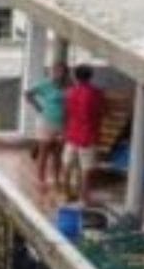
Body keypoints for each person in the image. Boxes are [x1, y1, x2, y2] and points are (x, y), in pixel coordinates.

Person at [61, 64, 105, 198]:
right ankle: (84, 195)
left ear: (75, 76)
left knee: (67, 163)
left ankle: (66, 192)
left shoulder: (70, 92)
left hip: (72, 133)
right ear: (90, 76)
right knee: (86, 168)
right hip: (89, 135)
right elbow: (102, 111)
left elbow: (66, 112)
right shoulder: (96, 93)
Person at [24, 63, 67, 190]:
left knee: (58, 153)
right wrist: (38, 107)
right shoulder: (45, 85)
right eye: (55, 71)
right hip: (46, 122)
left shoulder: (69, 86)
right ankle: (40, 179)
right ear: (51, 72)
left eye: (61, 71)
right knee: (44, 152)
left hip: (63, 124)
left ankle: (57, 178)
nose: (58, 74)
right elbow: (28, 94)